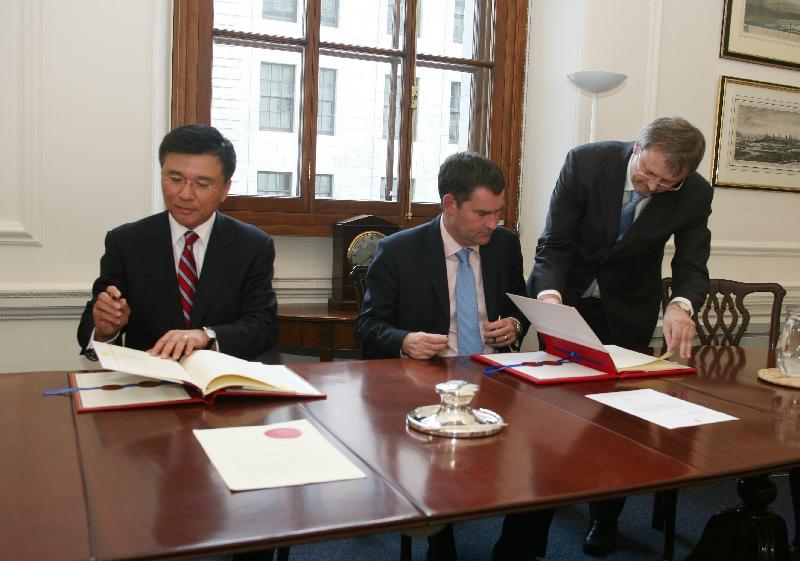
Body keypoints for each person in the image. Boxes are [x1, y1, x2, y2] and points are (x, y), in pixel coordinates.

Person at [356, 151, 553, 561]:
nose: (492, 224)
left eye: (498, 213)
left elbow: (517, 303)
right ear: (449, 204)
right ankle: (439, 548)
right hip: (426, 382)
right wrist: (405, 340)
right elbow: (369, 326)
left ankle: (515, 552)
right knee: (429, 470)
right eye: (482, 214)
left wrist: (514, 325)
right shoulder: (399, 251)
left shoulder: (504, 245)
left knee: (545, 456)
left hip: (495, 376)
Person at [528, 116, 712, 555]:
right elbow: (554, 242)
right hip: (566, 302)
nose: (651, 186)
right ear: (636, 148)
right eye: (646, 174)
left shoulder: (696, 193)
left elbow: (691, 261)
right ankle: (540, 510)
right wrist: (550, 299)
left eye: (667, 183)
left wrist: (681, 305)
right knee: (555, 413)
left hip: (628, 309)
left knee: (618, 424)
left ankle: (604, 519)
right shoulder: (586, 163)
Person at [78, 124, 278, 362]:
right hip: (148, 382)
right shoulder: (126, 241)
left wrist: (206, 336)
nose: (185, 194)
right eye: (175, 179)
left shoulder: (252, 245)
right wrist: (104, 329)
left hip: (220, 383)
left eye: (202, 184)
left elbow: (262, 327)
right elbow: (92, 327)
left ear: (225, 189)